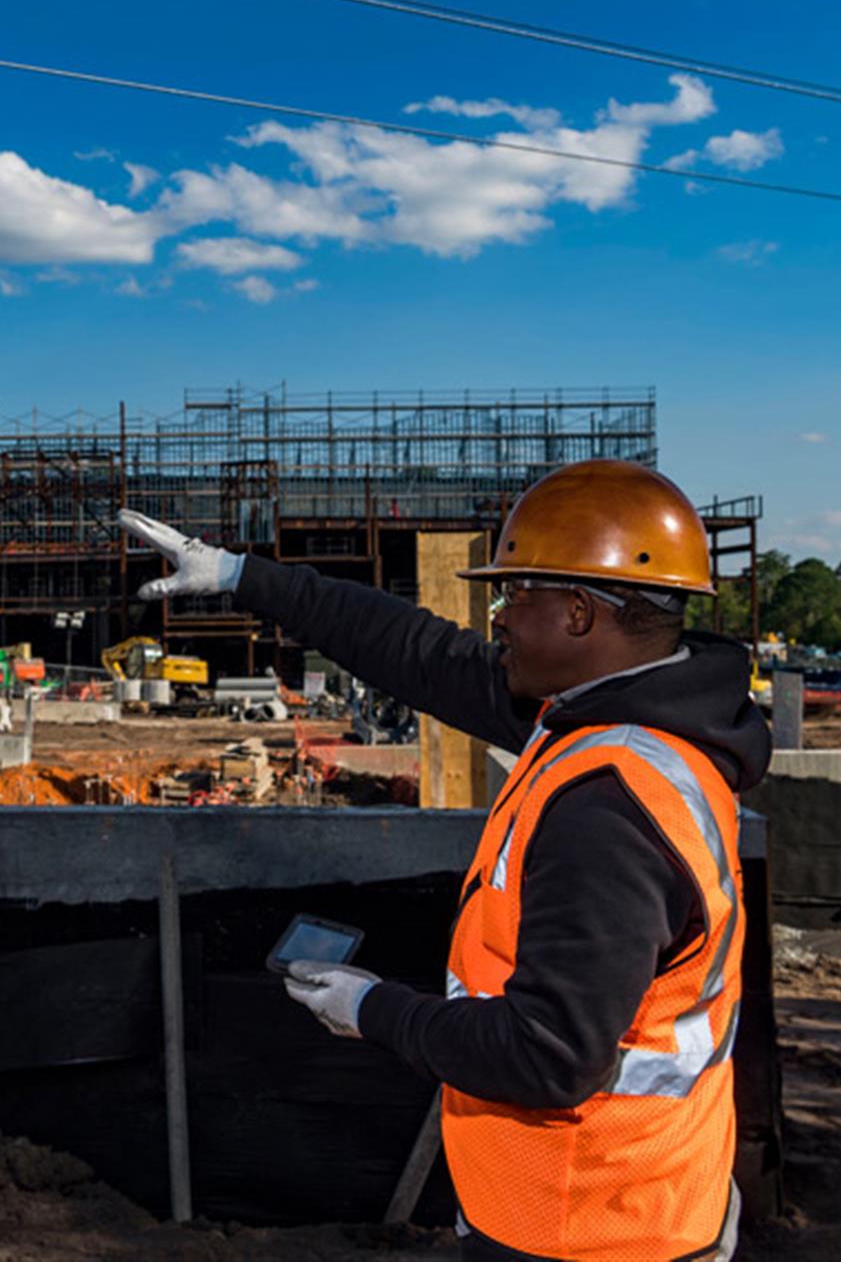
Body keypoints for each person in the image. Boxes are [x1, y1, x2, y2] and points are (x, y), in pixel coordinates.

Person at [120, 460, 769, 1262]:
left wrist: (372, 1010)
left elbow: (549, 1054)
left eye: (512, 596)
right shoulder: (636, 727)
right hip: (637, 1199)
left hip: (589, 1224)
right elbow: (416, 652)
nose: (495, 618)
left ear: (575, 613)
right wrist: (239, 575)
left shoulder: (609, 804)